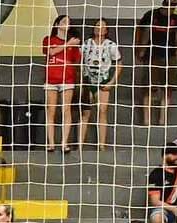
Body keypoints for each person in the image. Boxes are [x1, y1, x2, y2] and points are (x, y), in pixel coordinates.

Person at [134, 0, 177, 125]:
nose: (171, 8)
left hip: (169, 56)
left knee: (168, 88)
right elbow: (140, 30)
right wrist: (139, 49)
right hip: (152, 55)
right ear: (164, 4)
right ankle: (147, 120)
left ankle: (163, 120)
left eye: (173, 6)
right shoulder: (151, 15)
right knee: (150, 87)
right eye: (169, 5)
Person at [76, 18, 121, 149]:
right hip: (87, 81)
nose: (99, 29)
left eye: (102, 27)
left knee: (102, 112)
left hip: (103, 82)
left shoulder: (111, 45)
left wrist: (112, 82)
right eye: (97, 26)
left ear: (106, 30)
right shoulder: (86, 44)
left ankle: (101, 145)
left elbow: (119, 64)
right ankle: (79, 145)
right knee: (85, 113)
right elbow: (78, 62)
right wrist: (80, 80)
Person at [42, 14, 81, 152]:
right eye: (64, 22)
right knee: (51, 110)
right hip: (51, 80)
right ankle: (51, 143)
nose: (67, 24)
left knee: (66, 109)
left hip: (67, 79)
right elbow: (51, 52)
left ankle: (64, 143)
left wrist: (74, 46)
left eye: (69, 22)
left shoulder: (74, 44)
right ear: (57, 24)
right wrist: (68, 44)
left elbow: (77, 60)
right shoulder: (49, 39)